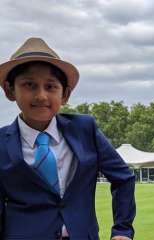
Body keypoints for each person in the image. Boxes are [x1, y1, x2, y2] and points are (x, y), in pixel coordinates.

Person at [0, 38, 135, 240]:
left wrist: (122, 231)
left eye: (51, 86)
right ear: (10, 90)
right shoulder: (2, 143)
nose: (41, 96)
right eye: (29, 85)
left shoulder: (85, 130)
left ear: (65, 94)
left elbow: (123, 178)